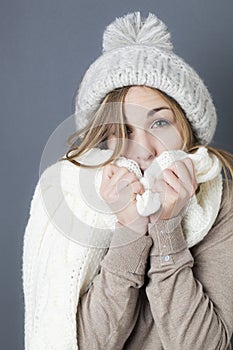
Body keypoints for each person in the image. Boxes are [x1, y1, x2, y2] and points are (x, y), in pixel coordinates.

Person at [22, 12, 233, 350]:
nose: (144, 151)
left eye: (160, 123)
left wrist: (168, 228)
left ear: (187, 129)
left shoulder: (218, 201)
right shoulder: (73, 195)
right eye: (123, 131)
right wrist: (130, 231)